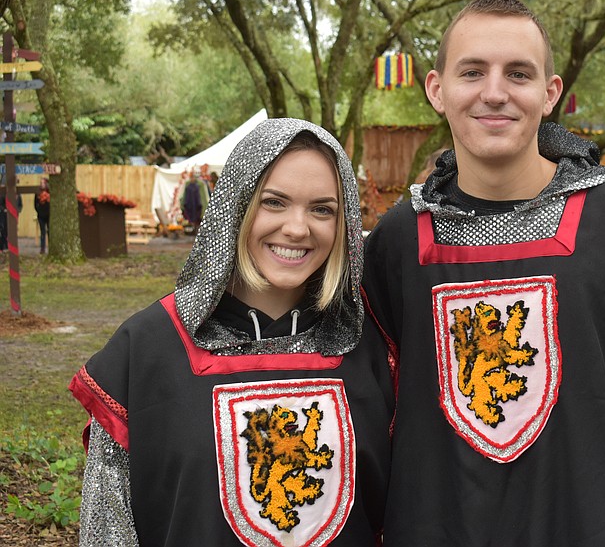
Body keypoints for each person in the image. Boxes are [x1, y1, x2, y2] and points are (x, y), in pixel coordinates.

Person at [361, 0, 605, 546]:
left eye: (519, 73)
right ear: (437, 90)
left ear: (550, 93)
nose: (495, 92)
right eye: (472, 71)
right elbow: (367, 424)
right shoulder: (393, 247)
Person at [69, 119, 393, 546]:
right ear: (235, 206)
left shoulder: (373, 350)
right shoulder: (147, 349)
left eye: (322, 209)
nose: (298, 228)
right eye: (274, 202)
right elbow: (108, 530)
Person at [35, 177, 50, 254]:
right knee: (42, 232)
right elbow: (35, 204)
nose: (42, 184)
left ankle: (51, 248)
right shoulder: (38, 193)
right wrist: (38, 211)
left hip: (49, 214)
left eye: (43, 183)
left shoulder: (49, 192)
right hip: (41, 215)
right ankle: (42, 249)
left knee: (49, 232)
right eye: (41, 183)